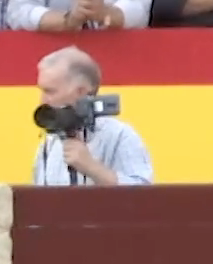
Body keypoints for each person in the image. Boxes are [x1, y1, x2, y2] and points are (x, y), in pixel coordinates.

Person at [30, 45, 154, 186]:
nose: (43, 101)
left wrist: (91, 167)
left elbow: (143, 192)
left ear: (81, 92)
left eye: (50, 91)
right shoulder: (49, 143)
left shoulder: (118, 136)